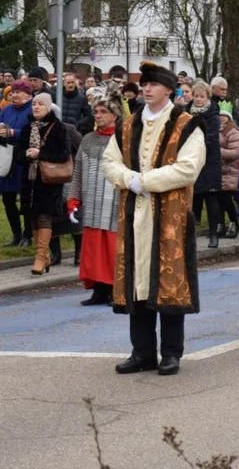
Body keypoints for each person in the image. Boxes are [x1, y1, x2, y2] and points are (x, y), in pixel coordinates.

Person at [101, 61, 207, 376]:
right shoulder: (128, 124)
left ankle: (171, 352)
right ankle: (142, 351)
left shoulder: (186, 124)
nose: (146, 89)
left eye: (153, 84)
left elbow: (188, 168)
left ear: (168, 89)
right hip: (135, 213)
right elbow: (109, 161)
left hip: (170, 214)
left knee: (170, 280)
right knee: (138, 281)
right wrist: (128, 179)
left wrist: (145, 181)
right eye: (144, 84)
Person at [69, 92, 124, 306]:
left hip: (114, 202)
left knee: (112, 249)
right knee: (93, 250)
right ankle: (99, 291)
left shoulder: (123, 139)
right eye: (96, 112)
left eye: (104, 112)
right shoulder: (88, 139)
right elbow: (78, 172)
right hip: (92, 202)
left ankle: (115, 290)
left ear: (115, 114)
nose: (98, 115)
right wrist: (74, 198)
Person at [12, 93, 70, 275]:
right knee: (33, 217)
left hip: (49, 180)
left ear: (48, 107)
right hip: (30, 180)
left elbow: (63, 154)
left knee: (45, 216)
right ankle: (44, 258)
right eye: (34, 104)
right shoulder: (27, 128)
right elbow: (18, 155)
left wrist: (40, 153)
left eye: (40, 105)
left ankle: (40, 256)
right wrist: (26, 155)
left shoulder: (58, 128)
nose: (36, 107)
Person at [0, 80, 35, 246]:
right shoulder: (7, 109)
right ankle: (15, 233)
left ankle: (28, 234)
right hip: (5, 158)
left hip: (24, 160)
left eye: (18, 92)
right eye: (13, 92)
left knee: (26, 199)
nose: (14, 95)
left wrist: (14, 132)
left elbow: (34, 130)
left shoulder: (33, 108)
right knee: (7, 199)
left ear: (27, 94)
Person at [188, 81, 224, 248]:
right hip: (191, 160)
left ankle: (213, 233)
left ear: (207, 97)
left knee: (211, 199)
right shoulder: (186, 113)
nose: (198, 100)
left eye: (202, 96)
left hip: (209, 161)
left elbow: (211, 137)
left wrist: (195, 145)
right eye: (196, 96)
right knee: (193, 198)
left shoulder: (213, 115)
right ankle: (189, 233)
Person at [217, 101, 239, 239]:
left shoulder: (233, 132)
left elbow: (236, 153)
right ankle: (220, 225)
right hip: (218, 171)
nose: (221, 118)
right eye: (219, 115)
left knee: (227, 200)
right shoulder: (215, 130)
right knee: (218, 201)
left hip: (229, 172)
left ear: (229, 118)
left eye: (224, 116)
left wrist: (218, 151)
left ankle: (234, 223)